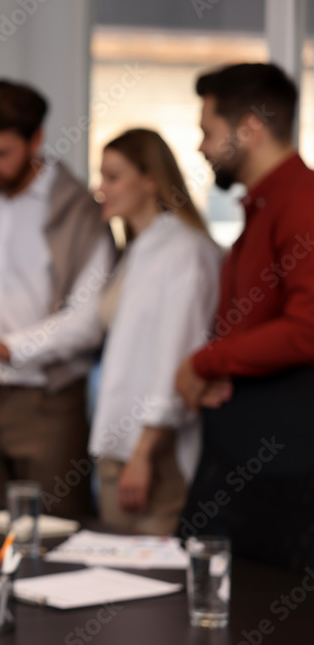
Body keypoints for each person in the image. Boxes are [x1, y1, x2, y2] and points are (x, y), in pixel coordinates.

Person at [0, 79, 114, 518]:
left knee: (54, 537)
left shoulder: (79, 211)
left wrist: (8, 347)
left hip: (47, 403)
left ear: (36, 140)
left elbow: (89, 316)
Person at [175, 63, 314, 572]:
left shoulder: (300, 202)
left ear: (249, 129)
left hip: (284, 459)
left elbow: (307, 330)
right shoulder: (264, 205)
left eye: (208, 132)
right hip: (253, 446)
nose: (201, 147)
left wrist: (208, 362)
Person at [91, 128, 222, 536]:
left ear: (150, 180)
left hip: (151, 454)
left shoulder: (184, 251)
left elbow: (177, 359)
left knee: (149, 587)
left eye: (113, 177)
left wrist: (144, 454)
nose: (101, 189)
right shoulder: (138, 249)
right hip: (119, 449)